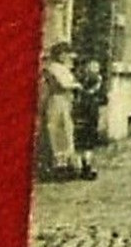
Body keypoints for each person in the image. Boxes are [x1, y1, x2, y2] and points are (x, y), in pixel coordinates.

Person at [37, 42, 79, 181]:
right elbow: (64, 84)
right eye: (65, 54)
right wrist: (75, 85)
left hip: (65, 100)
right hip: (56, 100)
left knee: (66, 130)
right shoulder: (54, 69)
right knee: (56, 130)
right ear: (60, 55)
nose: (68, 57)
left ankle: (67, 163)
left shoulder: (63, 68)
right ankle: (58, 165)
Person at [71, 56, 105, 180]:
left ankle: (85, 166)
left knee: (84, 141)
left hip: (86, 112)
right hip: (85, 112)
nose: (93, 69)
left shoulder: (85, 79)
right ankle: (84, 167)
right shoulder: (92, 79)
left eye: (95, 67)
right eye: (92, 66)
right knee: (85, 141)